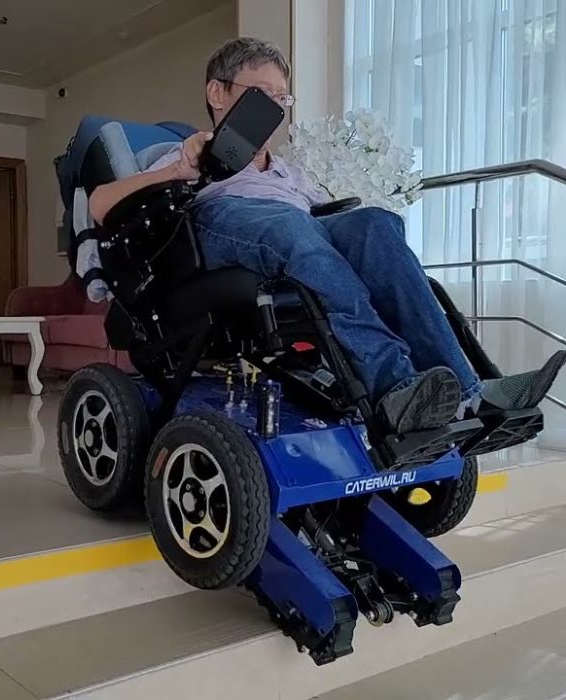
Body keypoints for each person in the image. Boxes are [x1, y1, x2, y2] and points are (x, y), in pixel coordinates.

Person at [88, 37, 565, 433]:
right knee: (293, 226)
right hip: (221, 224)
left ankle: (468, 389)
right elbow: (101, 204)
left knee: (375, 222)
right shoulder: (185, 153)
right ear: (217, 92)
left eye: (282, 98)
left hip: (297, 230)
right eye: (261, 94)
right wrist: (179, 170)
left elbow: (329, 223)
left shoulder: (290, 173)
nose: (275, 108)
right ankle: (393, 384)